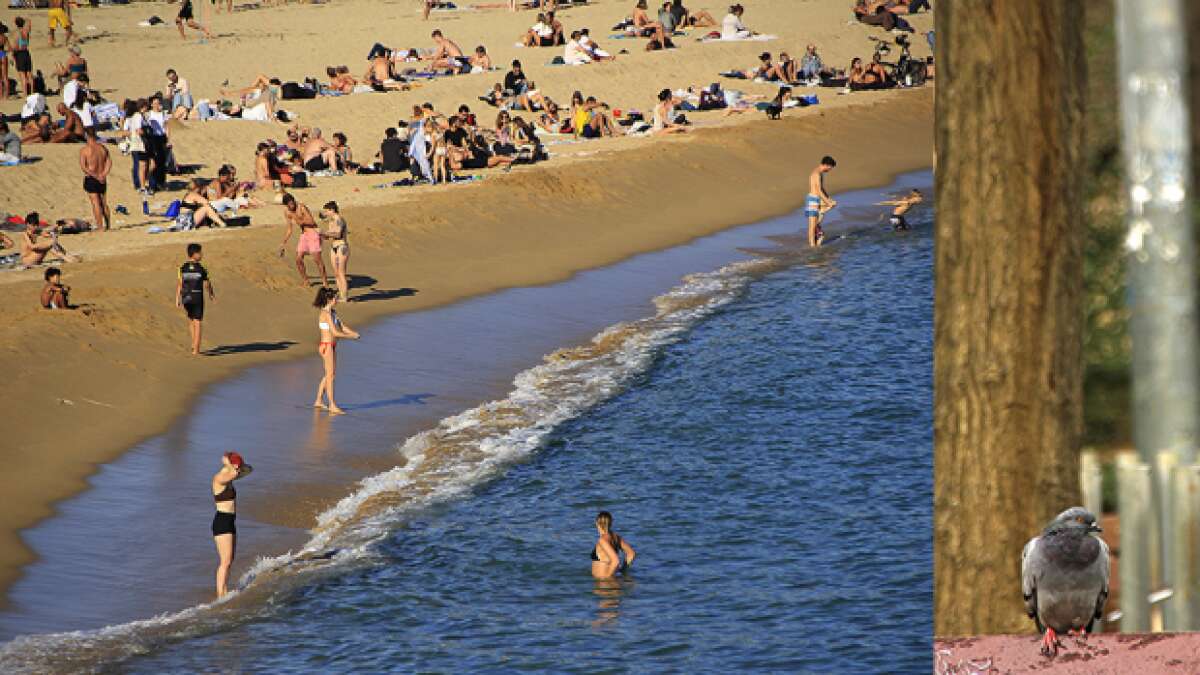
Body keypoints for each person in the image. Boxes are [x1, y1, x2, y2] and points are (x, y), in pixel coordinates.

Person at [312, 286, 359, 414]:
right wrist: (351, 337)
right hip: (326, 346)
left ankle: (318, 400)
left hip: (330, 346)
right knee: (331, 376)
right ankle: (332, 404)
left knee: (329, 374)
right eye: (336, 298)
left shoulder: (332, 312)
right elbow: (335, 332)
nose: (337, 300)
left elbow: (342, 326)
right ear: (330, 299)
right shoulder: (325, 314)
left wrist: (353, 332)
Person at [211, 451, 252, 598]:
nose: (238, 469)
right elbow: (234, 474)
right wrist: (230, 463)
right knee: (225, 561)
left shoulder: (230, 478)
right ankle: (220, 594)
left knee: (229, 560)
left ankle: (224, 590)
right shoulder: (219, 478)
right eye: (236, 467)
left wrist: (238, 464)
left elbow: (250, 470)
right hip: (221, 521)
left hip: (230, 521)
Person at [280, 193, 329, 287]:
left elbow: (311, 221)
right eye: (289, 204)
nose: (292, 205)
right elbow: (289, 229)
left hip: (313, 233)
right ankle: (306, 280)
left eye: (292, 203)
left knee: (317, 259)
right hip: (304, 234)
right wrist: (284, 242)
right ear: (286, 205)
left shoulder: (301, 207)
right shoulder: (287, 212)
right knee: (298, 259)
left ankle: (325, 282)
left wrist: (300, 221)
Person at [176, 243, 214, 355]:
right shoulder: (202, 268)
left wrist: (177, 298)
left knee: (191, 320)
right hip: (197, 297)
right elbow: (207, 284)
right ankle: (196, 350)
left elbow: (180, 284)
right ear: (195, 254)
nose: (202, 254)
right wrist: (211, 294)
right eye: (200, 252)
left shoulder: (182, 268)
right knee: (197, 322)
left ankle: (193, 344)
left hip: (186, 298)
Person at [79, 129, 111, 231]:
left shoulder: (85, 150)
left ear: (87, 136)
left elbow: (84, 167)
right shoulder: (102, 148)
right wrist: (103, 174)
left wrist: (96, 176)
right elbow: (109, 162)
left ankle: (100, 227)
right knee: (103, 202)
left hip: (92, 178)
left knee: (95, 203)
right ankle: (108, 224)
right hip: (102, 177)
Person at [591, 511, 636, 579]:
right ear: (610, 523)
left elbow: (616, 561)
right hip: (612, 581)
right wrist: (622, 570)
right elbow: (631, 553)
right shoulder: (616, 537)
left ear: (596, 523)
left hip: (605, 585)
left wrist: (606, 577)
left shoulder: (602, 540)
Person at [320, 201, 350, 301]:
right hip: (333, 247)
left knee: (341, 273)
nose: (326, 213)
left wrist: (324, 233)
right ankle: (341, 294)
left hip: (342, 247)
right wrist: (323, 236)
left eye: (327, 211)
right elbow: (330, 236)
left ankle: (344, 297)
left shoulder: (339, 220)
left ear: (332, 210)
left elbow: (337, 234)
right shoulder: (331, 221)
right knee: (336, 273)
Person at [806, 155, 837, 247]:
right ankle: (812, 246)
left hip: (817, 199)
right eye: (830, 168)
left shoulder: (819, 173)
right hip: (813, 200)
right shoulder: (816, 174)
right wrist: (827, 202)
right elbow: (818, 190)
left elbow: (821, 189)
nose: (830, 170)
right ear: (827, 165)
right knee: (812, 225)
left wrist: (828, 198)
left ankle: (817, 238)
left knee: (817, 222)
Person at [12, 18, 33, 97]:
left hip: (20, 54)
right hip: (26, 53)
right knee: (29, 74)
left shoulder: (17, 33)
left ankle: (25, 93)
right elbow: (29, 25)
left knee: (22, 75)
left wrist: (13, 53)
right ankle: (31, 91)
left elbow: (16, 46)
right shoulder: (26, 32)